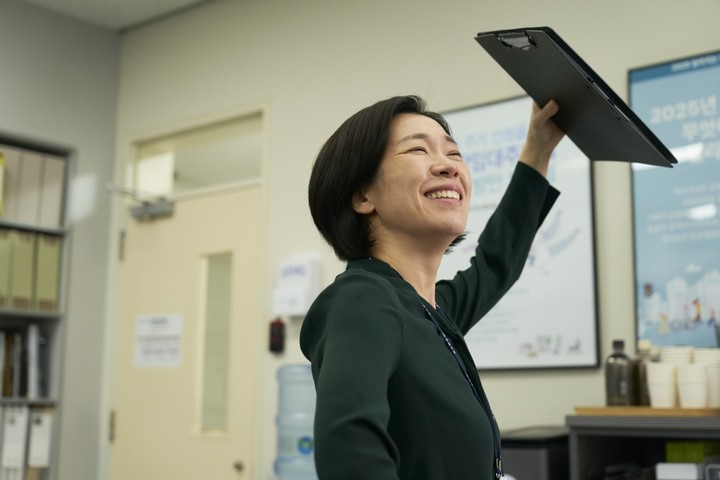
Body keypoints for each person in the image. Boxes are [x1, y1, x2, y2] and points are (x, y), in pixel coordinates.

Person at [300, 95, 564, 480]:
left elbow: (496, 265)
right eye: (418, 150)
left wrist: (538, 149)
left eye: (454, 153)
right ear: (363, 195)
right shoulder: (364, 297)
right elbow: (349, 446)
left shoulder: (430, 311)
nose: (448, 165)